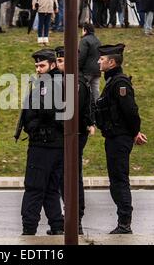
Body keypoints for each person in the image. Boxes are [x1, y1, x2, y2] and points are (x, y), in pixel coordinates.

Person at [95, 44, 147, 234]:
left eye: (102, 59)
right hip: (114, 137)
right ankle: (123, 221)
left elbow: (131, 111)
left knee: (119, 181)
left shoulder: (120, 83)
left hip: (119, 138)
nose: (98, 61)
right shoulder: (112, 82)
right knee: (116, 180)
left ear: (112, 62)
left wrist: (135, 132)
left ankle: (124, 223)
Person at [21, 49, 65, 236]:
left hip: (43, 143)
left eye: (42, 65)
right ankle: (56, 225)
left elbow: (48, 111)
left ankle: (29, 227)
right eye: (37, 66)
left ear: (52, 65)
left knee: (34, 187)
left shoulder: (48, 85)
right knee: (50, 188)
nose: (38, 69)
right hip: (56, 144)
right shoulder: (60, 82)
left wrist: (32, 123)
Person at [55, 47, 96, 235]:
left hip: (75, 135)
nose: (58, 64)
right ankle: (70, 216)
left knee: (72, 175)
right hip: (70, 135)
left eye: (62, 61)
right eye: (57, 61)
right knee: (66, 175)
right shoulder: (66, 80)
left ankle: (75, 218)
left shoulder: (76, 81)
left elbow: (72, 111)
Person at [78, 23, 102, 103]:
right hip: (97, 69)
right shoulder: (97, 40)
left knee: (82, 90)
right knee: (96, 91)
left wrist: (77, 67)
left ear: (85, 30)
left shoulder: (84, 40)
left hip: (86, 70)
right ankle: (97, 108)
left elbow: (81, 56)